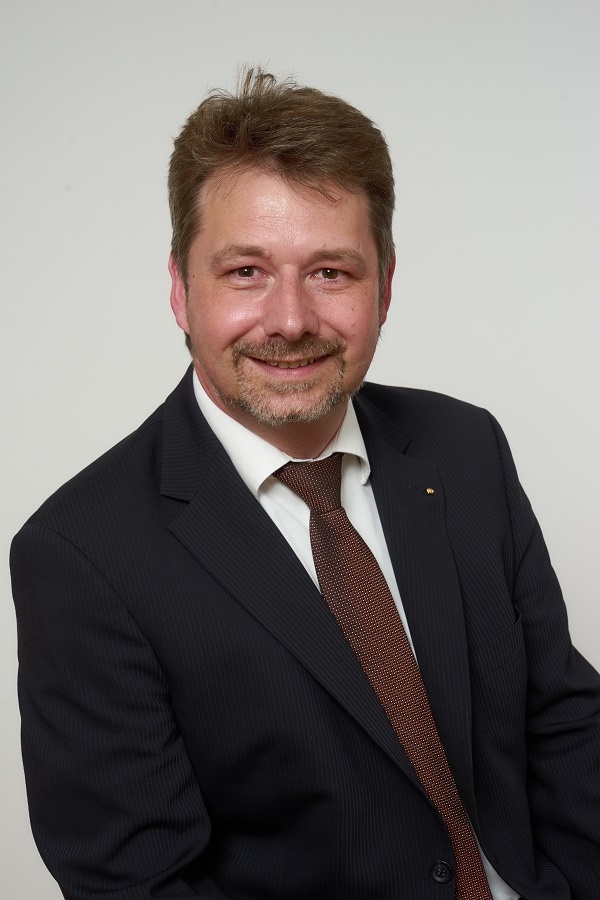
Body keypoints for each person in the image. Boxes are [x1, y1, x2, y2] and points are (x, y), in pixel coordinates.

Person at [10, 68, 600, 900]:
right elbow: (141, 883)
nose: (290, 320)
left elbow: (565, 729)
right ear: (180, 290)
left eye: (330, 272)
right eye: (245, 272)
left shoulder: (464, 448)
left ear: (385, 285)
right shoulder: (83, 553)